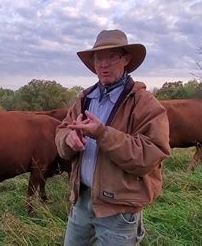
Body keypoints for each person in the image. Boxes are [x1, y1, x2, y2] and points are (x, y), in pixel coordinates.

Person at [55, 29, 171, 245]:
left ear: (125, 59)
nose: (104, 64)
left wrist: (103, 134)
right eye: (99, 58)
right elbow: (62, 131)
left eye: (112, 57)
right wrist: (68, 139)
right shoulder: (84, 98)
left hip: (119, 209)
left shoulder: (145, 104)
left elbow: (151, 155)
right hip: (81, 200)